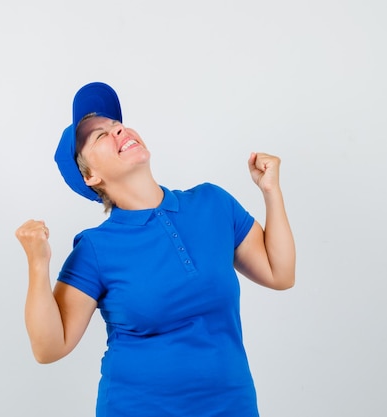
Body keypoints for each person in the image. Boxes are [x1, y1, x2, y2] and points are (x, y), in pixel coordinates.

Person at [15, 82, 296, 417]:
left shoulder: (213, 203)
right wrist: (37, 263)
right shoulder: (95, 247)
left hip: (232, 407)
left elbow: (280, 274)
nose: (117, 128)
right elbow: (49, 347)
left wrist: (271, 191)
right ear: (90, 176)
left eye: (116, 124)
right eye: (100, 135)